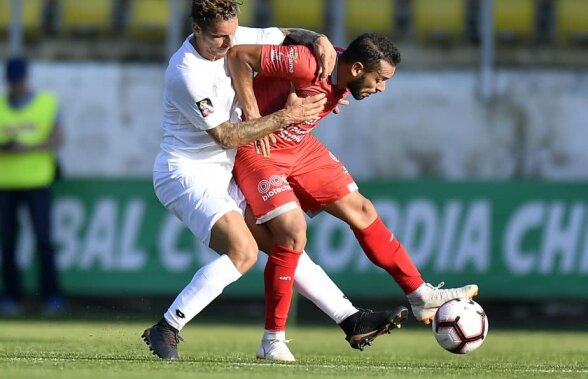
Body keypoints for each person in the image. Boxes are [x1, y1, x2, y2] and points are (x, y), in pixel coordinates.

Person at [141, 0, 408, 362]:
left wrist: (320, 40)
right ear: (196, 29)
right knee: (244, 252)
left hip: (223, 170)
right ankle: (167, 326)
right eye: (218, 38)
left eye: (232, 34)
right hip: (186, 173)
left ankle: (351, 318)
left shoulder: (234, 38)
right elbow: (227, 136)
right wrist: (286, 116)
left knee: (288, 240)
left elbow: (286, 35)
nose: (227, 45)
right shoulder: (186, 72)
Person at [227, 33, 479, 353]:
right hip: (258, 150)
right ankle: (272, 340)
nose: (382, 88)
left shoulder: (339, 68)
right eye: (380, 79)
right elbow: (237, 55)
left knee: (363, 210)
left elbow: (306, 49)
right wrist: (253, 115)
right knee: (291, 233)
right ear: (358, 68)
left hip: (298, 147)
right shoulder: (308, 63)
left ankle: (420, 295)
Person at [0, 57, 65, 316]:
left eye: (18, 81)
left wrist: (27, 148)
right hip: (5, 184)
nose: (16, 86)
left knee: (43, 240)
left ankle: (51, 296)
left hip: (38, 181)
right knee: (7, 243)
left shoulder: (46, 103)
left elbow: (58, 138)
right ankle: (11, 296)